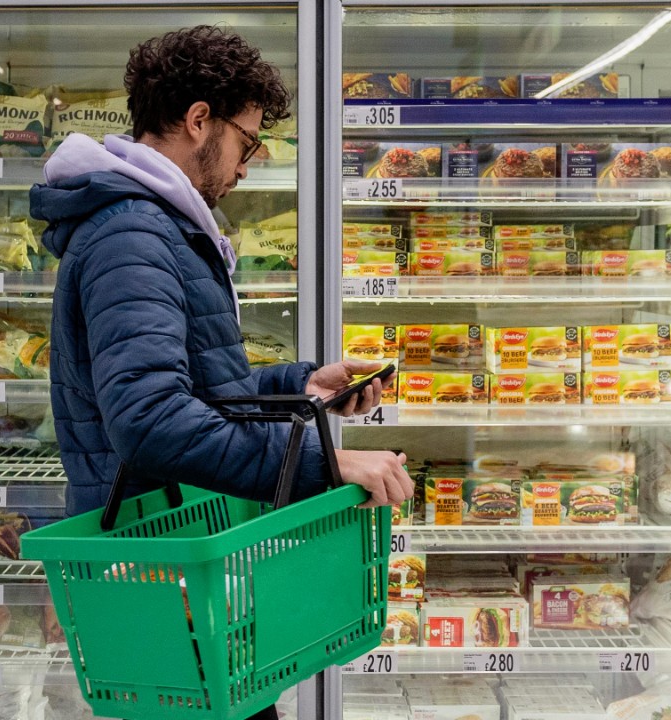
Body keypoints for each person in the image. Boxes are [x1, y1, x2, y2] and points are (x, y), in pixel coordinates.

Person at [30, 27, 413, 715]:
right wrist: (325, 464)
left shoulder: (158, 226)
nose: (248, 165)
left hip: (177, 554)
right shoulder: (130, 233)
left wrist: (299, 391)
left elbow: (192, 387)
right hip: (152, 564)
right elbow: (149, 423)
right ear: (198, 120)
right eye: (248, 141)